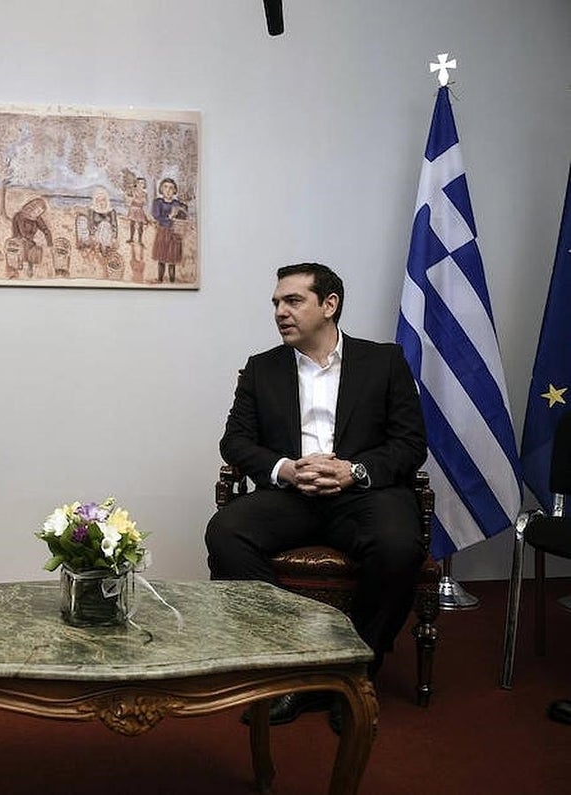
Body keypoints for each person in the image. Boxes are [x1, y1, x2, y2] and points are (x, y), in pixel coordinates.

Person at [205, 262, 427, 729]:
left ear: (330, 305)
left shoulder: (384, 362)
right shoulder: (262, 368)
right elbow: (236, 441)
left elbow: (409, 444)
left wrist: (354, 471)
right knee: (226, 532)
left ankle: (355, 670)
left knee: (399, 545)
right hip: (294, 494)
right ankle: (290, 666)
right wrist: (286, 469)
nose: (280, 312)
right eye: (276, 303)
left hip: (362, 493)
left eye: (293, 301)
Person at [151, 177, 190, 283]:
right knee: (162, 257)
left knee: (172, 258)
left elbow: (183, 215)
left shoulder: (177, 203)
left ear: (174, 190)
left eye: (171, 188)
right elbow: (156, 216)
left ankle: (172, 282)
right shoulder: (157, 202)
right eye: (165, 187)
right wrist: (169, 216)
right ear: (161, 189)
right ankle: (160, 280)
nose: (168, 190)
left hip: (174, 233)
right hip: (163, 232)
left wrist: (183, 209)